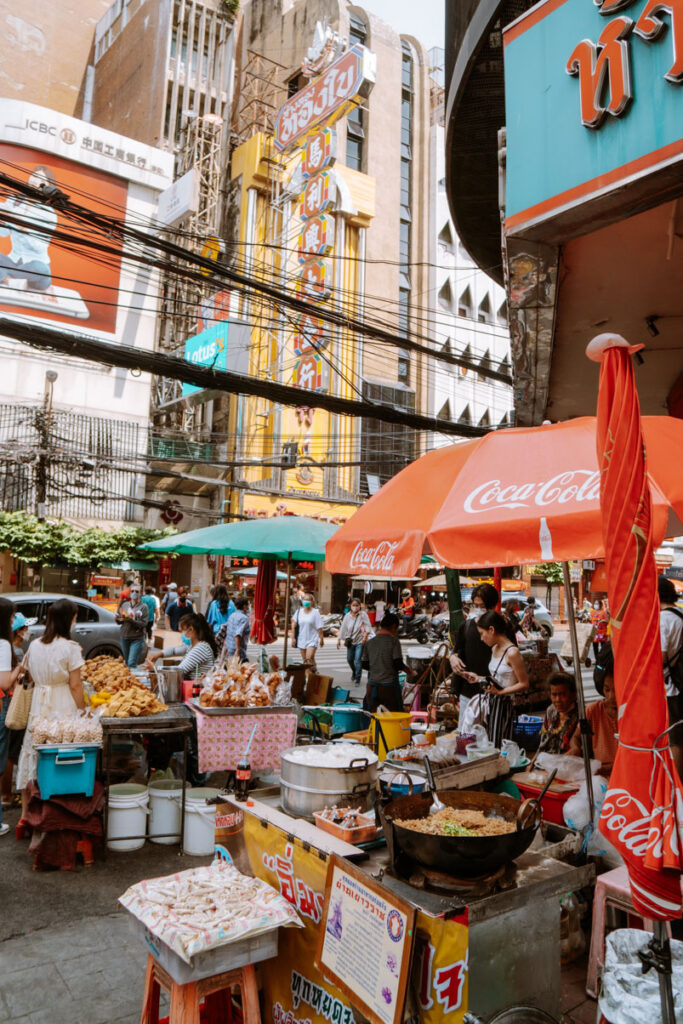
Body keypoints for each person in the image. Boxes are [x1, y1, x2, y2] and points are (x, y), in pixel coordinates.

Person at [16, 599, 85, 826]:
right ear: (68, 620)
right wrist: (84, 711)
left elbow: (28, 676)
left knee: (33, 751)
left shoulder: (34, 645)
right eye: (74, 618)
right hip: (62, 704)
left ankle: (26, 815)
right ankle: (57, 810)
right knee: (60, 753)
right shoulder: (70, 648)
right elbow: (76, 686)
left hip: (38, 704)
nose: (75, 623)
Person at [462, 609, 529, 748]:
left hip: (503, 705)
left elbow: (524, 684)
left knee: (498, 745)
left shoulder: (512, 652)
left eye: (482, 634)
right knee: (485, 743)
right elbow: (496, 677)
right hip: (490, 702)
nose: (481, 638)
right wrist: (479, 678)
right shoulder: (494, 648)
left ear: (491, 629)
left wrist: (501, 692)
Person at [450, 583, 514, 699]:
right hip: (468, 692)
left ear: (493, 606)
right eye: (476, 605)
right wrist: (453, 658)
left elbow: (512, 657)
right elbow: (456, 650)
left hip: (495, 693)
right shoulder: (466, 626)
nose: (479, 610)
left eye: (483, 606)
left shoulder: (505, 628)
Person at [0, 165, 59, 294]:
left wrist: (23, 226)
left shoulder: (49, 213)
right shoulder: (15, 200)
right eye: (33, 175)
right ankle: (10, 280)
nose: (34, 179)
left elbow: (39, 246)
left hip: (36, 269)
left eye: (39, 178)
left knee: (41, 268)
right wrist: (2, 220)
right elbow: (4, 233)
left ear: (48, 186)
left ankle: (5, 278)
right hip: (14, 261)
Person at [568, 647, 618, 778]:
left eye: (617, 690)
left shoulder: (635, 713)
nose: (612, 696)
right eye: (607, 689)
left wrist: (601, 769)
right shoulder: (592, 711)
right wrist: (575, 747)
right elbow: (576, 737)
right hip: (600, 778)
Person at [0, 599, 27, 835]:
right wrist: (20, 668)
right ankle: (4, 803)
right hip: (1, 702)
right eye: (11, 617)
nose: (12, 621)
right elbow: (5, 682)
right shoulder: (3, 646)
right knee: (4, 754)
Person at [361, 612, 416, 712]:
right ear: (394, 626)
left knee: (374, 717)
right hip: (388, 687)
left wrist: (377, 667)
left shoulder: (370, 642)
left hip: (371, 686)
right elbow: (398, 663)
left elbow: (364, 664)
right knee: (393, 716)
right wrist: (410, 672)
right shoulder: (393, 641)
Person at [658, 575, 683, 778]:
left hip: (671, 686)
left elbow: (661, 655)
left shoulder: (663, 619)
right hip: (679, 682)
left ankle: (675, 782)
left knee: (674, 739)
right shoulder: (679, 615)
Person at [146, 613, 216, 678]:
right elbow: (173, 651)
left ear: (191, 629)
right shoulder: (192, 646)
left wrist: (155, 668)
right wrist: (158, 654)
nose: (181, 634)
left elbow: (179, 671)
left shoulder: (200, 649)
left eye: (181, 631)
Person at [536, 673, 579, 756]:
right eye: (554, 695)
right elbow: (542, 744)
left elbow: (576, 750)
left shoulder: (581, 715)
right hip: (547, 762)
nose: (558, 699)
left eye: (563, 694)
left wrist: (556, 763)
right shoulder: (551, 711)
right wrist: (533, 763)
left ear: (573, 695)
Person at [337, 598, 372, 687]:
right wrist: (339, 640)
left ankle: (358, 678)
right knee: (349, 659)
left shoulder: (363, 615)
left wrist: (365, 637)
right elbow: (343, 628)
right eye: (353, 605)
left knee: (358, 660)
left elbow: (368, 625)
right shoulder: (347, 616)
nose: (355, 607)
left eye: (357, 605)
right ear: (350, 606)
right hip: (350, 641)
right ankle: (354, 671)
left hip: (360, 640)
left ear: (360, 606)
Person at [116, 583, 149, 668]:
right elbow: (121, 621)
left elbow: (144, 623)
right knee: (126, 662)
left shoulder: (143, 607)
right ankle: (128, 680)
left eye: (137, 591)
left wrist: (131, 620)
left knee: (132, 663)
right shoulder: (125, 605)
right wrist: (117, 619)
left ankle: (133, 679)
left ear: (140, 593)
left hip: (137, 638)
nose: (134, 593)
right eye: (132, 591)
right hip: (124, 637)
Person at [291, 593, 324, 668]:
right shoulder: (299, 612)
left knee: (308, 660)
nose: (306, 601)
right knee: (306, 661)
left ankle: (309, 678)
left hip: (312, 640)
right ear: (302, 601)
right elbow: (293, 625)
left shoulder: (315, 612)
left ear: (312, 602)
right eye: (304, 599)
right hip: (301, 640)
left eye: (308, 600)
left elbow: (319, 627)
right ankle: (313, 672)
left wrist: (321, 639)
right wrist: (293, 638)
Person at [220, 595, 251, 663]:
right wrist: (237, 650)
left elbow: (225, 630)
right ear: (244, 606)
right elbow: (238, 634)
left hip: (229, 651)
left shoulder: (232, 616)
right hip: (239, 653)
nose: (248, 607)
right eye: (247, 605)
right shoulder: (244, 618)